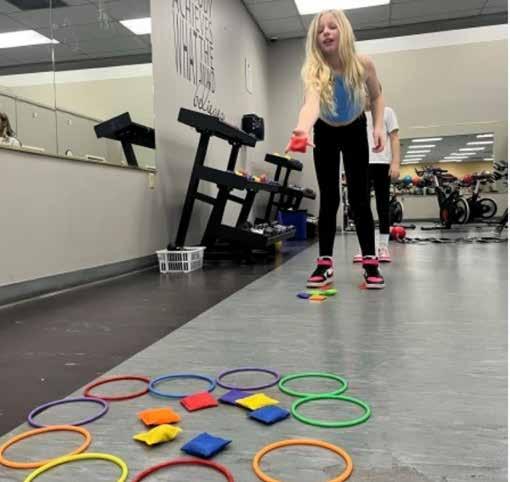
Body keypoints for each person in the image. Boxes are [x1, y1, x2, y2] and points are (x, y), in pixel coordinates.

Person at [285, 9, 385, 289]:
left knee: (360, 198)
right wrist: (302, 129)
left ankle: (370, 261)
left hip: (355, 128)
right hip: (325, 130)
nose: (326, 32)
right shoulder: (315, 70)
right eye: (320, 30)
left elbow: (377, 96)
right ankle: (325, 263)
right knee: (329, 199)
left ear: (344, 31)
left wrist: (378, 126)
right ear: (315, 39)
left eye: (332, 27)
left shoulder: (363, 64)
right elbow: (311, 104)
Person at [353, 90, 400, 263]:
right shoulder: (355, 116)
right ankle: (364, 247)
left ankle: (383, 246)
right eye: (363, 93)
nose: (366, 96)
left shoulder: (387, 112)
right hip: (361, 165)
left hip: (382, 164)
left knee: (383, 206)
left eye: (369, 92)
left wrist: (395, 163)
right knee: (361, 206)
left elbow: (394, 138)